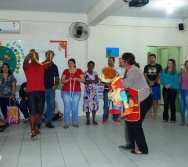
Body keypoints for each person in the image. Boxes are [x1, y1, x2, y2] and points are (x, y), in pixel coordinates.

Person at [119, 52, 152, 155]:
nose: (120, 61)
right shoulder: (130, 70)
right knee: (129, 121)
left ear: (126, 62)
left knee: (136, 123)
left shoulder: (134, 70)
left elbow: (126, 83)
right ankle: (130, 144)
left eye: (122, 60)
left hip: (144, 99)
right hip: (136, 99)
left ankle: (143, 149)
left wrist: (114, 79)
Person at [23, 49, 51, 140]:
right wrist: (30, 54)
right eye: (34, 56)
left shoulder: (41, 66)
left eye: (37, 56)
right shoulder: (27, 66)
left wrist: (49, 55)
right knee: (32, 112)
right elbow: (25, 61)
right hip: (31, 92)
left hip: (41, 92)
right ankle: (32, 131)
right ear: (31, 57)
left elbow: (48, 62)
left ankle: (35, 128)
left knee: (39, 112)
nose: (36, 57)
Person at [61, 58, 85, 129]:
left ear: (74, 64)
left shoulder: (79, 70)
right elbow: (62, 81)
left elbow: (83, 80)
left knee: (75, 108)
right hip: (66, 91)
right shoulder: (65, 71)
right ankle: (66, 123)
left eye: (71, 63)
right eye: (69, 63)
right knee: (67, 107)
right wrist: (68, 80)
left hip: (76, 92)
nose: (70, 64)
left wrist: (77, 79)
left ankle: (75, 122)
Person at [102, 57, 123, 124]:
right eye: (108, 61)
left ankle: (115, 118)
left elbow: (121, 79)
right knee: (106, 105)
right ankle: (105, 118)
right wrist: (108, 83)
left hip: (115, 91)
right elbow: (102, 80)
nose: (109, 62)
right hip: (107, 90)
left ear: (114, 62)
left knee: (115, 105)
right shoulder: (105, 70)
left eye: (111, 61)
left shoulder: (118, 69)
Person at [43, 50, 59, 128]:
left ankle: (48, 122)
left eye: (52, 55)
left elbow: (57, 77)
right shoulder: (41, 65)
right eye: (48, 55)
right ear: (45, 56)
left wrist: (56, 85)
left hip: (51, 90)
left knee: (50, 106)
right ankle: (38, 123)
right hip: (42, 90)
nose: (50, 56)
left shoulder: (54, 66)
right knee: (41, 107)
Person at [144, 54, 162, 119]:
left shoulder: (158, 66)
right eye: (150, 58)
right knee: (149, 100)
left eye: (152, 57)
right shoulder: (146, 66)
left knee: (155, 100)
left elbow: (159, 75)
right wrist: (149, 81)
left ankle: (155, 114)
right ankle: (149, 114)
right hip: (148, 86)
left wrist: (154, 82)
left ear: (155, 58)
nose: (151, 59)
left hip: (156, 86)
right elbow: (145, 75)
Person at [83, 61, 99, 125]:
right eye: (89, 66)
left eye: (92, 66)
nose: (90, 67)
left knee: (94, 105)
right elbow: (85, 82)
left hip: (94, 92)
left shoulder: (95, 73)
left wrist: (89, 81)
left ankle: (94, 120)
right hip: (87, 92)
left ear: (93, 66)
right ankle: (88, 120)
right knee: (87, 106)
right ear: (87, 66)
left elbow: (97, 81)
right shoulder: (85, 73)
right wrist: (92, 81)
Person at [179, 61, 188, 126]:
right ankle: (183, 120)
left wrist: (183, 72)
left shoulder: (184, 72)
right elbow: (179, 81)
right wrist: (180, 73)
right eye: (186, 65)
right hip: (181, 91)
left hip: (187, 91)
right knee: (182, 107)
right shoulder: (182, 72)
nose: (187, 66)